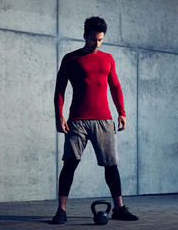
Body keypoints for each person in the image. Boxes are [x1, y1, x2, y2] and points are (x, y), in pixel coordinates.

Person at [52, 16, 138, 224]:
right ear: (85, 36)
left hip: (104, 121)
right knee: (70, 164)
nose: (96, 44)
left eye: (100, 40)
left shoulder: (107, 58)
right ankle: (61, 210)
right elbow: (59, 90)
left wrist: (122, 112)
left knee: (111, 166)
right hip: (77, 121)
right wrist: (59, 116)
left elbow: (115, 86)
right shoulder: (70, 59)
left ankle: (119, 208)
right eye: (93, 39)